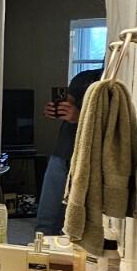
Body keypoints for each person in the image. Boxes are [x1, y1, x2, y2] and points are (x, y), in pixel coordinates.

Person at [35, 69, 100, 236]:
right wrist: (54, 110)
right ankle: (39, 252)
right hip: (63, 151)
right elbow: (68, 102)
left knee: (76, 218)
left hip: (92, 157)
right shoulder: (84, 78)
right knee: (47, 215)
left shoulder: (112, 84)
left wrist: (79, 117)